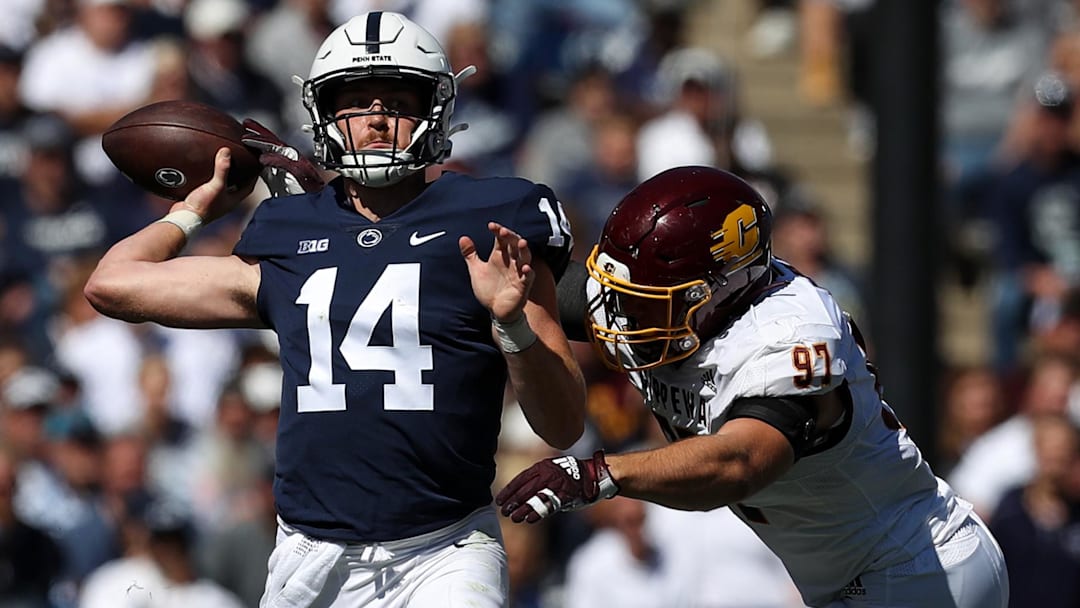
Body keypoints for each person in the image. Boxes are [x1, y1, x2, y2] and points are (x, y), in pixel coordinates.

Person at [84, 10, 585, 608]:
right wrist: (195, 210)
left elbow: (562, 425)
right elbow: (112, 283)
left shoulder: (493, 218)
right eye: (355, 102)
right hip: (308, 552)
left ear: (436, 108)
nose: (375, 118)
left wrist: (509, 325)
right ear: (324, 114)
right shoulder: (288, 229)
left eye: (396, 100)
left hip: (443, 551)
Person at [497, 166, 1009, 608]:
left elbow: (737, 463)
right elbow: (542, 289)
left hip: (917, 568)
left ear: (718, 292)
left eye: (648, 302)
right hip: (849, 575)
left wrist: (601, 473)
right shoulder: (669, 307)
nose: (621, 318)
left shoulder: (790, 336)